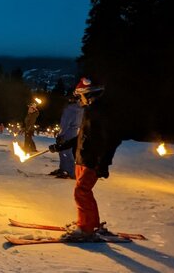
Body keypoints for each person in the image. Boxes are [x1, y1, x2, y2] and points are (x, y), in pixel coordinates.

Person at [48, 77, 112, 240]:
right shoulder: (90, 113)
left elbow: (107, 141)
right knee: (84, 192)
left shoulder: (99, 115)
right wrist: (61, 146)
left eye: (81, 96)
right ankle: (90, 223)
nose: (79, 100)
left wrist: (102, 163)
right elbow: (81, 137)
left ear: (89, 95)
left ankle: (86, 229)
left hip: (92, 160)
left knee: (81, 192)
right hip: (82, 158)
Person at [49, 95, 84, 179]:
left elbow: (65, 123)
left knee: (65, 151)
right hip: (74, 131)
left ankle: (70, 171)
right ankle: (64, 169)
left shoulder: (70, 109)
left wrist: (61, 135)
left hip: (68, 132)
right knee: (64, 151)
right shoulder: (80, 109)